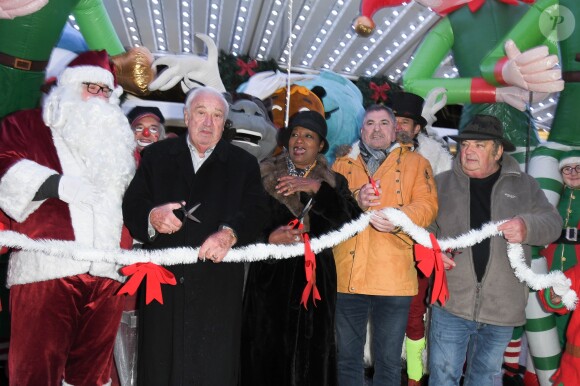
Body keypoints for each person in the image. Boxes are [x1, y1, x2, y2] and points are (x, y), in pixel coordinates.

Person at [0, 50, 136, 385]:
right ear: (71, 87)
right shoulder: (27, 125)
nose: (101, 97)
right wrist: (57, 185)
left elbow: (137, 200)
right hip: (47, 269)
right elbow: (4, 166)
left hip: (108, 274)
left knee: (91, 376)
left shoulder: (122, 146)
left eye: (107, 92)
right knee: (36, 371)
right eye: (93, 87)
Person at [122, 86, 268, 386]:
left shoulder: (243, 164)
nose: (208, 122)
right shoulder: (157, 157)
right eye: (201, 113)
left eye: (217, 116)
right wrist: (153, 216)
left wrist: (229, 234)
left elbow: (256, 211)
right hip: (163, 285)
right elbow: (133, 204)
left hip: (217, 287)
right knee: (160, 366)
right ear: (187, 116)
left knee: (213, 368)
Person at [428, 114, 562, 386]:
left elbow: (553, 224)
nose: (468, 151)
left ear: (498, 150)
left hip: (502, 307)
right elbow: (424, 228)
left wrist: (527, 227)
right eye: (465, 145)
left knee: (486, 379)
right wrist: (432, 252)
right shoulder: (440, 184)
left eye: (479, 145)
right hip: (450, 303)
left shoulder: (524, 185)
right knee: (443, 378)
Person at [241, 111, 362, 386]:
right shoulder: (263, 173)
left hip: (316, 280)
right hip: (270, 278)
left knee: (313, 353)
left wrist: (317, 188)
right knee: (266, 352)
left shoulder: (333, 182)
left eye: (309, 136)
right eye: (295, 134)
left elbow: (353, 222)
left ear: (320, 145)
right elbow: (243, 221)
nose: (299, 141)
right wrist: (268, 239)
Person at [332, 104, 438, 385]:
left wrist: (400, 218)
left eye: (383, 123)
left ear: (395, 130)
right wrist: (356, 199)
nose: (376, 129)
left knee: (389, 362)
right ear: (361, 128)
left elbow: (427, 207)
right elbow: (328, 212)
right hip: (347, 275)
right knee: (346, 358)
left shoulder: (417, 163)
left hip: (394, 279)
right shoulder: (342, 164)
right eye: (369, 123)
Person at [391, 91, 452, 385]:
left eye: (406, 122)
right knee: (383, 319)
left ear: (418, 127)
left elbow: (445, 204)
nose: (400, 127)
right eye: (395, 121)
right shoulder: (366, 152)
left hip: (418, 251)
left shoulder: (437, 158)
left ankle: (414, 378)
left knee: (414, 317)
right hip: (378, 251)